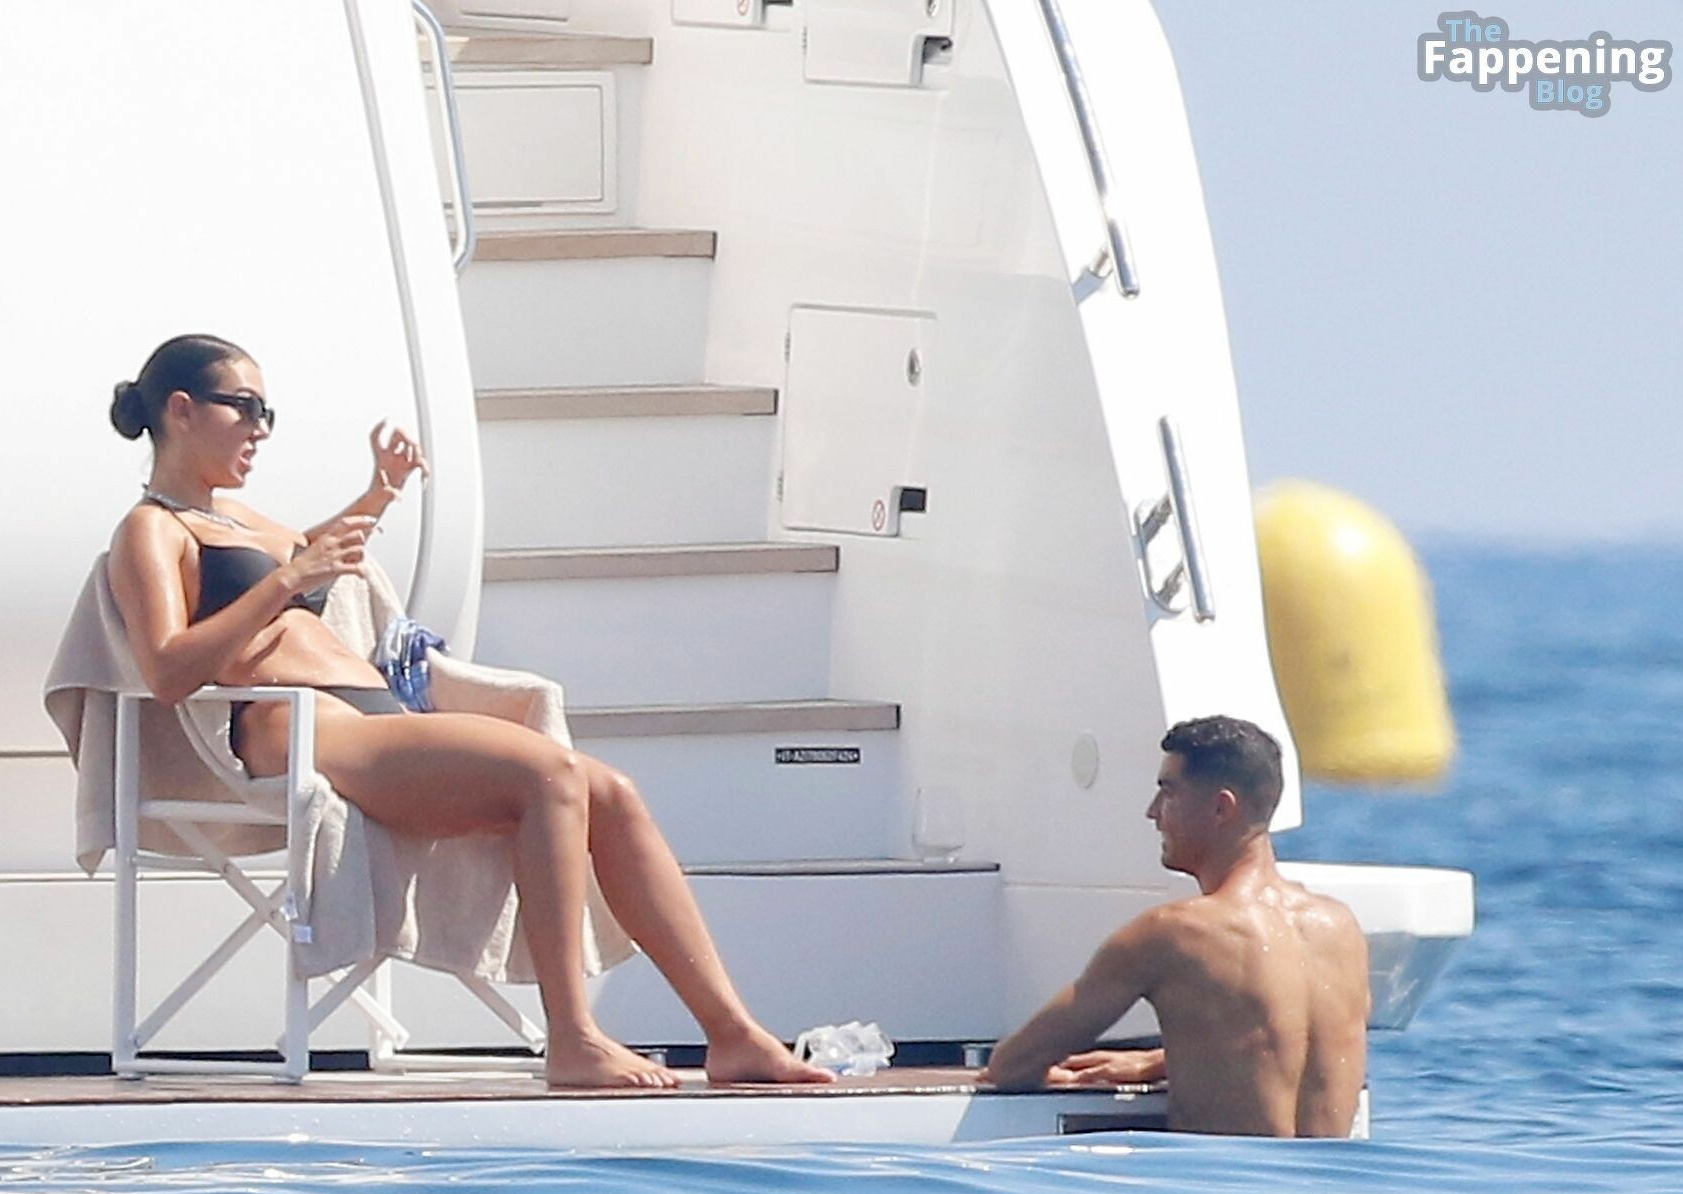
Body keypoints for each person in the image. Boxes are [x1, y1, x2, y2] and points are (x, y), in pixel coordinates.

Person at [104, 333, 831, 1091]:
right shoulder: (151, 530)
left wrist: (379, 494)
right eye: (246, 408)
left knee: (611, 792)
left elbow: (309, 557)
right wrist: (289, 582)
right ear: (181, 410)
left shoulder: (241, 519)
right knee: (549, 776)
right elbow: (167, 669)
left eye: (267, 413)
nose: (260, 428)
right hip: (296, 723)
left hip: (366, 712)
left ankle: (734, 1034)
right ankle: (574, 1038)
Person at [979, 716, 1370, 1137]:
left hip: (1221, 1176)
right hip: (1332, 1177)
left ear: (1222, 808)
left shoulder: (1173, 934)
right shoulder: (1339, 927)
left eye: (1168, 792)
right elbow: (1284, 1040)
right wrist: (1161, 1061)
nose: (1153, 812)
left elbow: (1013, 1066)